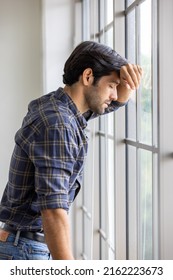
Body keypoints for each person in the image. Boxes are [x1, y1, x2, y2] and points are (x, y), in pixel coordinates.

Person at [0, 41, 142, 260]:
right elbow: (53, 211)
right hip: (25, 251)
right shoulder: (58, 124)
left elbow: (110, 103)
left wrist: (127, 83)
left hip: (21, 244)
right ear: (88, 76)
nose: (115, 94)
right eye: (112, 85)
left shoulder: (59, 107)